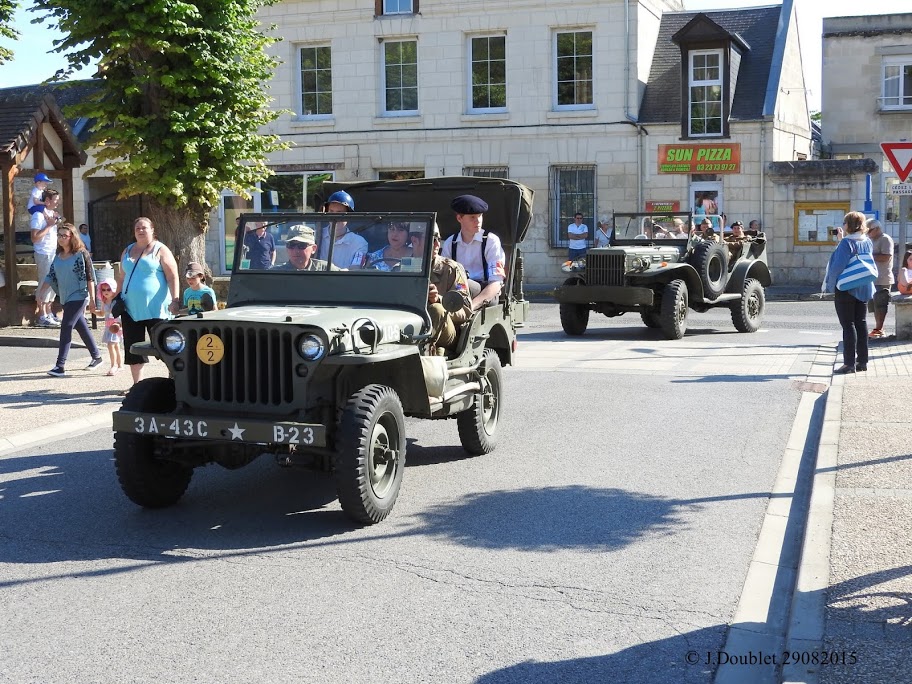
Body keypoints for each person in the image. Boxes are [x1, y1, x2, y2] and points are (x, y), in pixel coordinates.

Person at [117, 217, 180, 388]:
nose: (140, 230)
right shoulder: (128, 250)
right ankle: (137, 385)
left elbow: (172, 275)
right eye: (137, 227)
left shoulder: (160, 249)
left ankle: (174, 381)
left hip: (156, 308)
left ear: (152, 229)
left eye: (144, 227)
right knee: (133, 347)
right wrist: (114, 298)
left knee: (165, 345)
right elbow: (122, 278)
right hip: (131, 308)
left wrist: (175, 300)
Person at [34, 222, 103, 377]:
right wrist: (41, 291)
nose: (61, 238)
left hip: (80, 295)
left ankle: (60, 365)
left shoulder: (81, 254)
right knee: (81, 326)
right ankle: (97, 357)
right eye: (59, 235)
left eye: (64, 235)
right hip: (66, 296)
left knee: (66, 325)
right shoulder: (58, 256)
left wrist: (92, 299)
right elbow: (50, 276)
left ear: (72, 236)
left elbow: (90, 277)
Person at [823, 211, 875, 374]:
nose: (843, 225)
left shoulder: (846, 243)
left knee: (848, 325)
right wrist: (841, 240)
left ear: (849, 225)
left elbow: (839, 266)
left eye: (845, 223)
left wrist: (831, 285)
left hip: (846, 287)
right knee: (861, 322)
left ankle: (849, 364)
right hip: (864, 285)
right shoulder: (867, 241)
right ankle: (862, 361)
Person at [412, 224, 472, 352]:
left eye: (438, 239)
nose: (437, 244)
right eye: (431, 239)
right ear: (414, 240)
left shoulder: (451, 269)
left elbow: (466, 311)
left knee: (437, 309)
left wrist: (439, 300)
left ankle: (428, 349)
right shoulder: (403, 267)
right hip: (409, 326)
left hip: (444, 331)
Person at [441, 194, 507, 309]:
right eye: (472, 217)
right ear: (459, 218)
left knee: (467, 285)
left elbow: (496, 282)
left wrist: (472, 306)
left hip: (485, 292)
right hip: (458, 291)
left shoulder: (490, 241)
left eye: (480, 216)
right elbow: (444, 277)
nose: (478, 221)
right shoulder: (450, 243)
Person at [30, 188, 62, 327]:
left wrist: (56, 220)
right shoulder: (38, 215)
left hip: (53, 252)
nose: (57, 203)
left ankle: (49, 312)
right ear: (47, 200)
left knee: (53, 283)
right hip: (43, 253)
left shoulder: (51, 214)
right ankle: (41, 315)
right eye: (55, 200)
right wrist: (49, 226)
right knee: (44, 282)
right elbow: (35, 238)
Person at [319, 190, 367, 269]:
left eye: (339, 213)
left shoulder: (360, 243)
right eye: (331, 212)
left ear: (349, 216)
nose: (334, 217)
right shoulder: (315, 236)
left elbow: (355, 269)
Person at [865, 218, 894, 339]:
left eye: (869, 230)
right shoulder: (870, 240)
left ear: (877, 229)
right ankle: (878, 328)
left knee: (881, 304)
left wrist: (869, 256)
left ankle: (879, 329)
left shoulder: (885, 239)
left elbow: (886, 257)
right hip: (872, 278)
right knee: (874, 306)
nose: (867, 233)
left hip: (882, 278)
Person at [95, 277, 124, 376]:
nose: (106, 292)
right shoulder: (104, 301)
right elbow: (102, 313)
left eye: (108, 289)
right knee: (115, 346)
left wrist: (119, 324)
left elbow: (119, 313)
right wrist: (94, 311)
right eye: (103, 290)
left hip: (115, 326)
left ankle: (114, 365)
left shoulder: (116, 301)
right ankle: (119, 365)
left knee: (111, 345)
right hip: (108, 326)